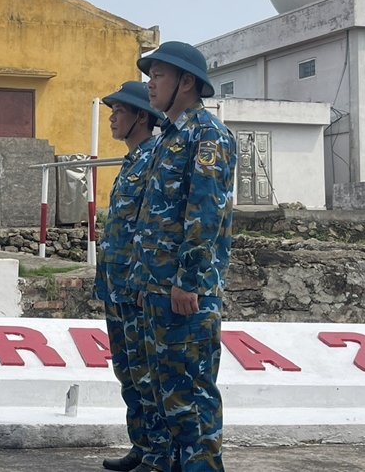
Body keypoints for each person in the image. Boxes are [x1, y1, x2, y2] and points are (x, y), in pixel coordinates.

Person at [132, 41, 236, 472]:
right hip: (157, 289)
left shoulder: (206, 135)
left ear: (186, 81)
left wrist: (187, 281)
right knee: (165, 398)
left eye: (158, 75)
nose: (150, 84)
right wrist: (144, 283)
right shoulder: (166, 140)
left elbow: (204, 212)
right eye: (150, 75)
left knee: (191, 401)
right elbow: (153, 218)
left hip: (184, 292)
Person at [94, 81, 170, 472]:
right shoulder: (132, 161)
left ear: (142, 116)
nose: (112, 116)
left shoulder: (154, 157)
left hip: (137, 287)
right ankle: (141, 446)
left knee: (147, 375)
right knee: (127, 372)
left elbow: (155, 225)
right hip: (116, 286)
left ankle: (159, 455)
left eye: (119, 110)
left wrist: (147, 280)